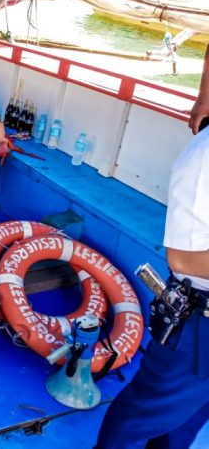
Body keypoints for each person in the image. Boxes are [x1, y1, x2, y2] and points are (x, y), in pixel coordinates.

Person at [96, 47, 209, 448]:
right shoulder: (204, 158)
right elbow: (182, 258)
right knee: (142, 415)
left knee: (188, 422)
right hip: (200, 322)